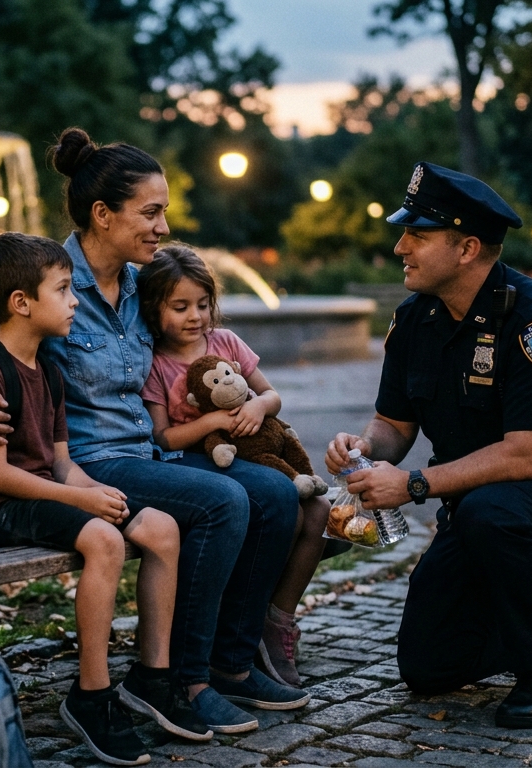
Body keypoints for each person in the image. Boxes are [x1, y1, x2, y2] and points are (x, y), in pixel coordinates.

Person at [0, 127, 309, 737]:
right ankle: (184, 678)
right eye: (150, 213)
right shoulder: (49, 279)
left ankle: (231, 664)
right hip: (91, 461)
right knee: (224, 501)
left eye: (164, 214)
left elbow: (192, 339)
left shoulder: (139, 283)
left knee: (277, 494)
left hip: (150, 451)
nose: (162, 228)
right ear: (103, 214)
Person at [325, 162, 532, 729]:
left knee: (493, 512)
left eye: (418, 234)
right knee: (427, 667)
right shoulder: (415, 319)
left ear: (467, 249)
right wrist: (362, 448)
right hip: (481, 509)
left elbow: (524, 457)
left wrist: (411, 485)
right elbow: (395, 425)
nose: (399, 246)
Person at [0, 232, 183, 764]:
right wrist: (83, 505)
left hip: (35, 494)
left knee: (159, 527)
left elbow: (62, 463)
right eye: (62, 291)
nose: (76, 301)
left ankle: (154, 678)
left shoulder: (48, 368)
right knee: (102, 538)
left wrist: (96, 491)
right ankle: (92, 695)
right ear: (21, 303)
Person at [137, 244, 329, 688]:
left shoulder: (225, 343)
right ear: (154, 308)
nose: (195, 316)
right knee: (285, 507)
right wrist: (212, 421)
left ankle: (275, 620)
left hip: (252, 454)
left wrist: (259, 408)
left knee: (319, 512)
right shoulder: (157, 365)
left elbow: (271, 395)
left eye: (203, 305)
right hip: (197, 460)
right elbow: (162, 437)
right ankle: (241, 627)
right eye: (180, 306)